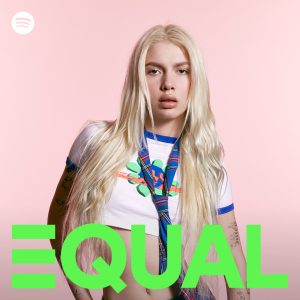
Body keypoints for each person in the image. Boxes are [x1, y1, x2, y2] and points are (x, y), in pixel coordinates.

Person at [48, 24, 250, 300]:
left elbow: (232, 251)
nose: (168, 83)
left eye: (182, 70)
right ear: (138, 80)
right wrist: (83, 296)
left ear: (195, 81)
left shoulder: (207, 164)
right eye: (154, 70)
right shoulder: (96, 140)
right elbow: (56, 226)